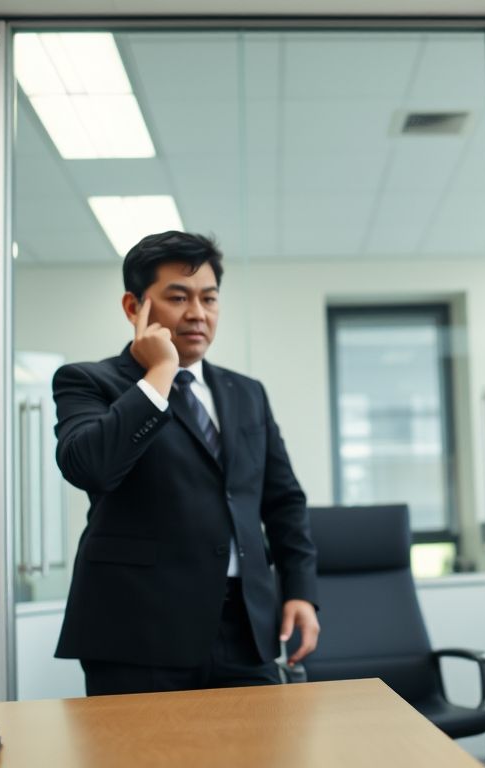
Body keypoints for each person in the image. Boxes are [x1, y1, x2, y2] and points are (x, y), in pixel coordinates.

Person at [52, 230, 320, 695]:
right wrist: (159, 374)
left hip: (246, 629)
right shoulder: (88, 381)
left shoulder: (246, 392)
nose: (198, 313)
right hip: (139, 633)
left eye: (209, 299)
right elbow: (90, 467)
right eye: (178, 297)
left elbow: (283, 502)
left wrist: (300, 590)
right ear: (134, 308)